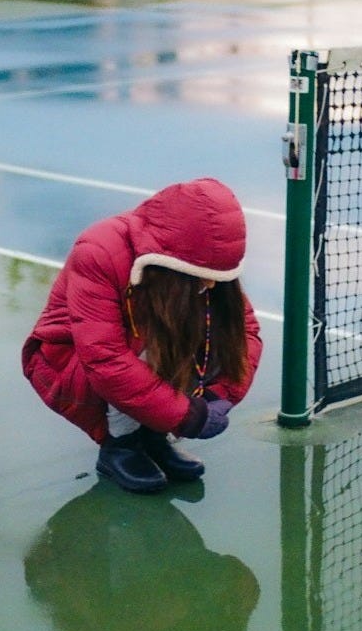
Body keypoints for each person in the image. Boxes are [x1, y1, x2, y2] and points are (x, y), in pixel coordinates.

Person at [21, 177, 262, 493]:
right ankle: (120, 445)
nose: (213, 285)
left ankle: (152, 436)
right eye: (205, 277)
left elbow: (244, 332)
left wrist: (220, 396)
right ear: (173, 261)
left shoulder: (206, 269)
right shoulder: (98, 250)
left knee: (207, 327)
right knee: (135, 349)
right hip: (69, 363)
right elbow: (105, 359)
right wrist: (186, 416)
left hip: (138, 346)